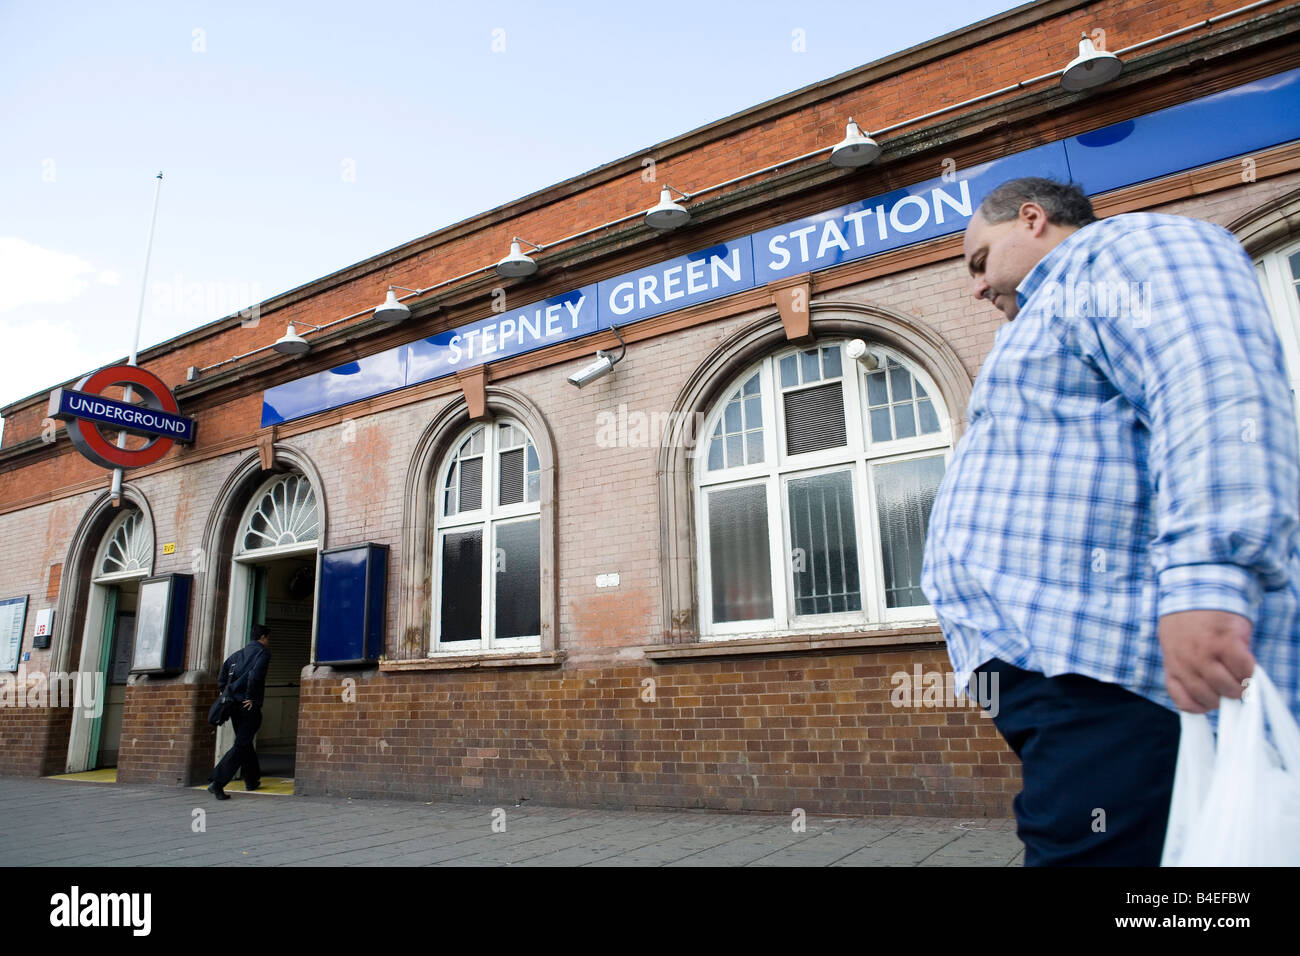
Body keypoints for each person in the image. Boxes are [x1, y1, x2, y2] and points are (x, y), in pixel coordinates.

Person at [920, 177, 1300, 866]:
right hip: (1064, 677)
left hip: (1115, 676)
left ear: (1031, 219)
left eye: (980, 261)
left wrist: (1210, 575)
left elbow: (1211, 388)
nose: (976, 288)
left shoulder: (1118, 253)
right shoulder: (1047, 315)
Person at [208, 624, 272, 800]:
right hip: (248, 706)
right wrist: (251, 697)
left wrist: (231, 695)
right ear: (263, 637)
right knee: (241, 744)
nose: (268, 641)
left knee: (244, 741)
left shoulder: (236, 655)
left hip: (233, 705)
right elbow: (256, 676)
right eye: (268, 638)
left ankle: (251, 779)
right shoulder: (263, 653)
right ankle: (218, 782)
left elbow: (222, 680)